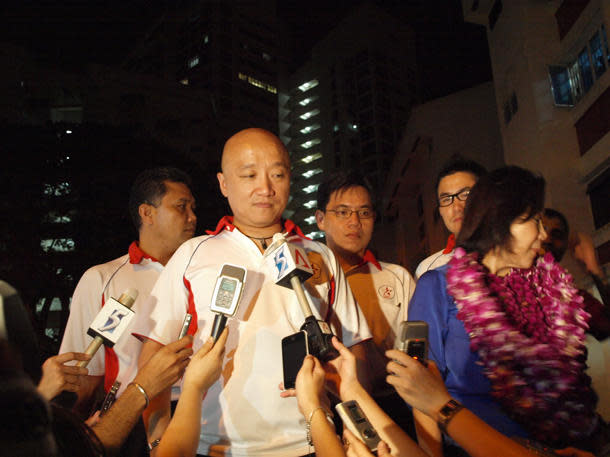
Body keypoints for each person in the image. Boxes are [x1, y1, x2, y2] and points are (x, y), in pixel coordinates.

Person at [137, 128, 371, 456]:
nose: (265, 188)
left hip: (313, 444)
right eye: (249, 175)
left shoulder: (320, 255)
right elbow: (155, 354)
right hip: (214, 447)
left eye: (277, 174)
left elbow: (354, 348)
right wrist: (160, 439)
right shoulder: (193, 253)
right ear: (223, 184)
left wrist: (355, 427)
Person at [408, 166, 601, 455]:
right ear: (498, 217)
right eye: (535, 220)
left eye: (467, 195)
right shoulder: (432, 283)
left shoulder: (547, 287)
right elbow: (416, 380)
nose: (544, 233)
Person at [59, 166, 197, 412]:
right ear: (147, 213)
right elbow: (86, 375)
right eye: (181, 206)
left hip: (201, 415)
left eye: (192, 208)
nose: (192, 217)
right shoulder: (102, 279)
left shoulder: (204, 273)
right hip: (131, 415)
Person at [315, 170, 416, 434]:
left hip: (396, 404)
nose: (354, 222)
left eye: (364, 212)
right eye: (343, 212)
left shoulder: (397, 278)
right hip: (333, 407)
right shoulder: (309, 284)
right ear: (320, 219)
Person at [415, 157, 486, 279]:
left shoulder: (516, 256)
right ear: (440, 211)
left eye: (465, 195)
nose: (456, 207)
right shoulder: (428, 271)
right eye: (446, 199)